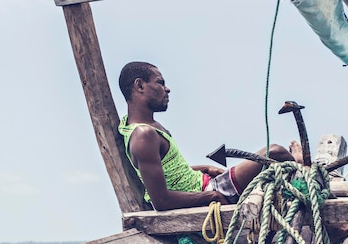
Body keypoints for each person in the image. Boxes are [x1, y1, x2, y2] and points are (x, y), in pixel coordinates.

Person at [117, 61, 303, 211]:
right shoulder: (144, 135)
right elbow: (161, 200)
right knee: (275, 152)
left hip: (206, 183)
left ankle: (297, 168)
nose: (167, 89)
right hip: (209, 190)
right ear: (140, 85)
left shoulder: (133, 126)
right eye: (160, 82)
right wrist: (210, 196)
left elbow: (165, 170)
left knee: (268, 160)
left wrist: (204, 167)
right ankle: (301, 168)